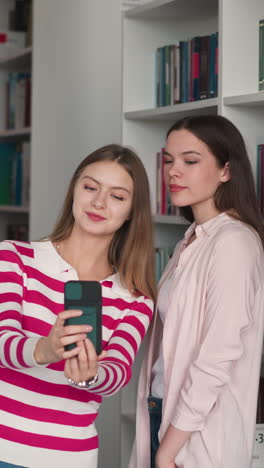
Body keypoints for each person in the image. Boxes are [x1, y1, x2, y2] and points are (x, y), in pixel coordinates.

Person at [0, 144, 156, 468]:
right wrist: (45, 349)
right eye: (90, 187)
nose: (99, 202)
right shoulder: (14, 257)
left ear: (132, 211)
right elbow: (3, 340)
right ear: (74, 189)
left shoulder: (136, 300)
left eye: (117, 196)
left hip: (69, 457)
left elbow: (117, 372)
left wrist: (90, 375)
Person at [130, 115, 264, 468]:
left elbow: (217, 355)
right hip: (163, 412)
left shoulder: (234, 242)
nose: (174, 172)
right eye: (169, 161)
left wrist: (170, 448)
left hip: (198, 436)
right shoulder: (190, 241)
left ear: (226, 170)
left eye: (190, 161)